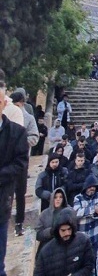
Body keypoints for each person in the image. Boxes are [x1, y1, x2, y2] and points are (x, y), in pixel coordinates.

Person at [9, 91, 38, 237]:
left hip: (21, 159)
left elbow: (34, 137)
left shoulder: (28, 118)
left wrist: (21, 143)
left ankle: (19, 223)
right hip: (5, 159)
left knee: (20, 193)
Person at [33, 208, 95, 276]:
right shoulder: (46, 251)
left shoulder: (83, 241)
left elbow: (89, 266)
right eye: (63, 230)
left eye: (69, 229)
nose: (67, 233)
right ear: (57, 230)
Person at [72, 174, 98, 250]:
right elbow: (77, 213)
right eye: (90, 187)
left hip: (95, 235)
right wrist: (93, 209)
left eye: (94, 187)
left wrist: (86, 212)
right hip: (82, 235)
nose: (92, 189)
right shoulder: (78, 198)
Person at [34, 188, 69, 256]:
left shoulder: (69, 212)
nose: (58, 199)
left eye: (60, 197)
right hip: (48, 249)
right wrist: (50, 231)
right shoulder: (44, 214)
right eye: (55, 197)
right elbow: (38, 234)